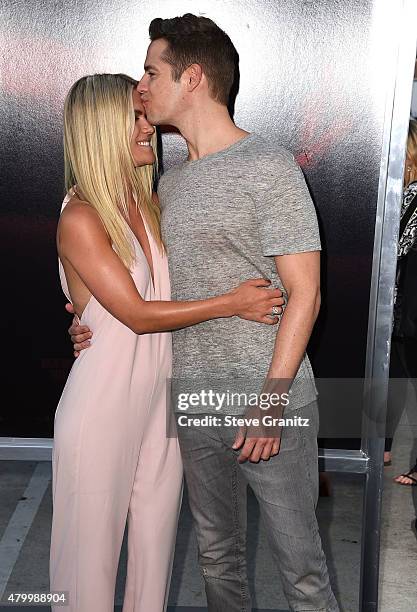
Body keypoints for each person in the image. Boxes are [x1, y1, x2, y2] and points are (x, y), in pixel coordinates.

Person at [68, 14, 339, 612]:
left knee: (301, 573)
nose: (141, 86)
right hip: (192, 399)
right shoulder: (168, 184)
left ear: (191, 78)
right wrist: (88, 318)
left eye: (151, 71)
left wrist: (270, 404)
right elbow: (140, 289)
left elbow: (306, 295)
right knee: (217, 560)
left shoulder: (269, 166)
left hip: (270, 401)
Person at [50, 72, 285, 612]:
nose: (147, 127)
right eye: (134, 117)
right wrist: (233, 302)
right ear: (100, 128)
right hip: (102, 408)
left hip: (161, 405)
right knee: (84, 576)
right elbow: (134, 314)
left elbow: (148, 297)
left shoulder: (149, 202)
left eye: (144, 114)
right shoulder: (82, 216)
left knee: (154, 563)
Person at [384, 118, 417, 487]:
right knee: (391, 377)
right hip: (398, 308)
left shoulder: (411, 194)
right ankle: (384, 444)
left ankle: (384, 445)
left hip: (402, 309)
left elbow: (398, 246)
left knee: (394, 377)